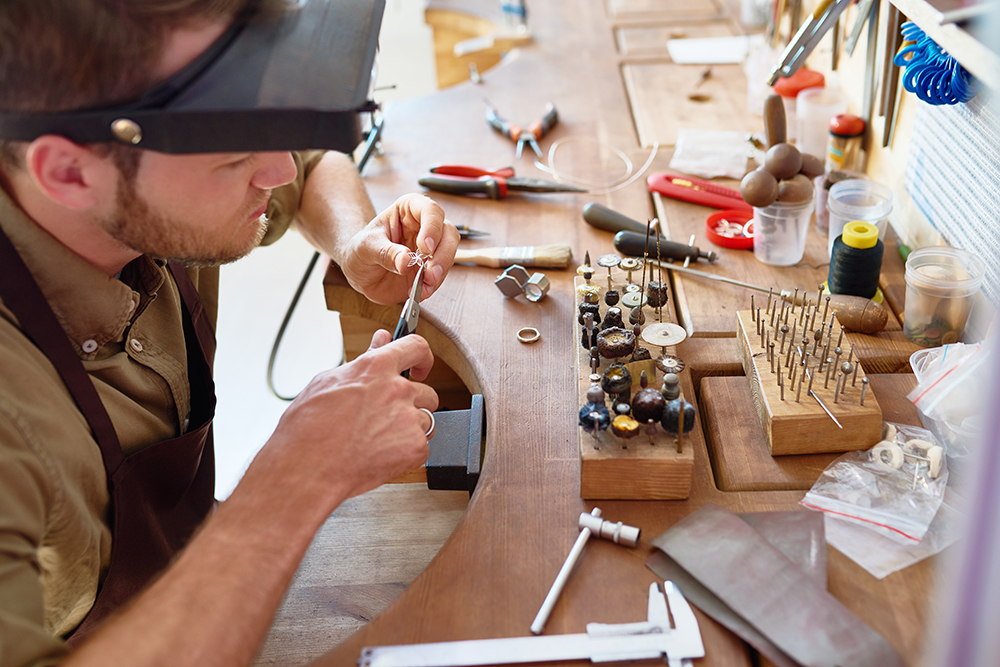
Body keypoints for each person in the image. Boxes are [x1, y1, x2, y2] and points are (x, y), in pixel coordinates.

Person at [0, 0, 459, 665]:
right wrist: (293, 478)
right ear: (69, 172)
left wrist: (355, 242)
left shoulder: (135, 180)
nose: (273, 171)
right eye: (237, 151)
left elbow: (306, 167)